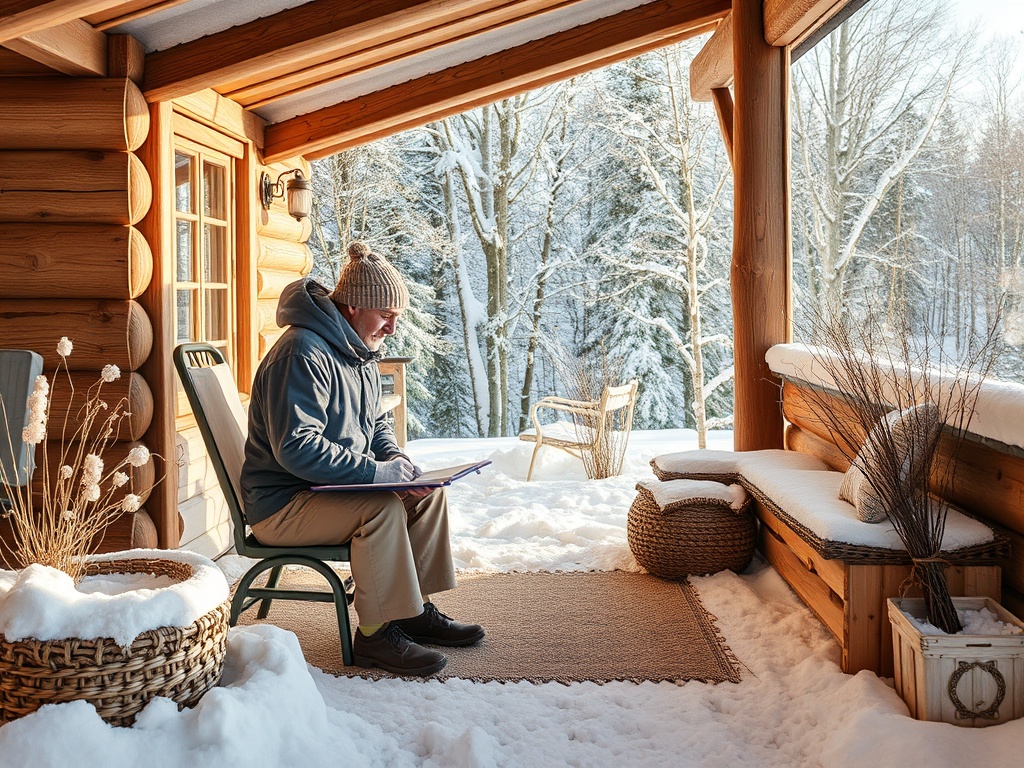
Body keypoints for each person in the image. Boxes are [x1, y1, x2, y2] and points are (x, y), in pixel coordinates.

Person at [241, 241, 484, 676]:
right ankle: (375, 635)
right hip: (283, 505)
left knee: (425, 496)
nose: (392, 328)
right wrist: (376, 474)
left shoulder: (358, 353)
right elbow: (296, 446)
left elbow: (375, 424)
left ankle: (412, 610)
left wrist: (393, 460)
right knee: (381, 508)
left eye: (397, 318)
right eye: (386, 316)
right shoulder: (302, 353)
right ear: (353, 307)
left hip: (325, 491)